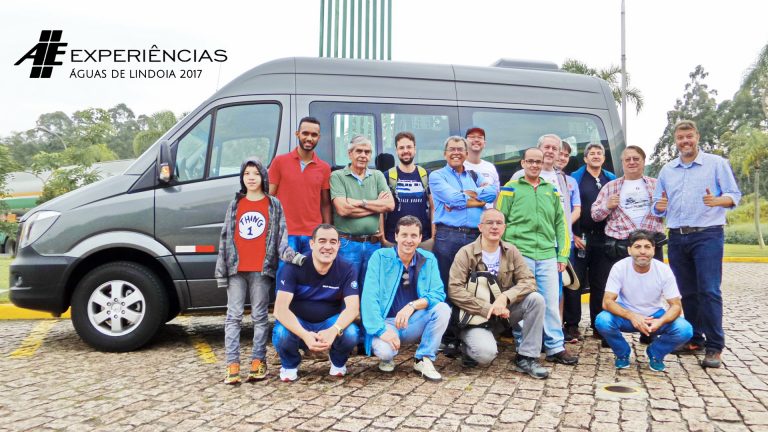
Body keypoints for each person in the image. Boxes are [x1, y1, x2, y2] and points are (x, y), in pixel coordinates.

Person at [653, 119, 741, 368]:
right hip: (677, 236)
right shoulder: (667, 170)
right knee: (687, 292)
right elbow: (657, 206)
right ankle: (694, 340)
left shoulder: (716, 164)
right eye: (681, 138)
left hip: (707, 235)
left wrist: (718, 201)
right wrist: (658, 207)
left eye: (689, 136)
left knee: (709, 291)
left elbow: (734, 195)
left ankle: (714, 347)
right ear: (676, 141)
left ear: (697, 137)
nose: (685, 141)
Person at [215, 157, 306, 384]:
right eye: (247, 174)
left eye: (256, 173)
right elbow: (225, 238)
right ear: (242, 178)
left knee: (259, 316)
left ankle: (258, 361)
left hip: (261, 270)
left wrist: (296, 258)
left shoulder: (273, 205)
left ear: (263, 177)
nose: (251, 178)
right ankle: (232, 364)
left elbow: (281, 240)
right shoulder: (235, 204)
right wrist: (222, 270)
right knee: (233, 316)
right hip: (236, 268)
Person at [496, 148, 578, 365]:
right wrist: (504, 253)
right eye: (530, 161)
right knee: (523, 301)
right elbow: (500, 221)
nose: (534, 165)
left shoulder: (551, 190)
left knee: (551, 303)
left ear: (543, 164)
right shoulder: (510, 189)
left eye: (538, 162)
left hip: (547, 255)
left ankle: (555, 347)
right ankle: (523, 347)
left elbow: (561, 224)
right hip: (519, 255)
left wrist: (562, 255)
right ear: (523, 163)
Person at [447, 208, 549, 379]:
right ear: (480, 227)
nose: (494, 227)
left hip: (502, 315)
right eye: (489, 222)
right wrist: (488, 308)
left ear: (504, 227)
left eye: (499, 223)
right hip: (474, 318)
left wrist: (505, 297)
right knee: (485, 355)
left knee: (536, 300)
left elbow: (529, 281)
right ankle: (466, 347)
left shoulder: (511, 251)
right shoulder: (466, 253)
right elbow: (454, 289)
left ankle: (527, 357)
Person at [429, 135, 497, 356]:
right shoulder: (437, 176)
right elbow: (452, 199)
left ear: (467, 154)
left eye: (460, 149)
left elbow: (492, 193)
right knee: (449, 286)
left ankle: (471, 332)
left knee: (474, 286)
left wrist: (465, 197)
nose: (456, 152)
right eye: (452, 149)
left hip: (475, 237)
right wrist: (474, 199)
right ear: (445, 153)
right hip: (448, 237)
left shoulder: (475, 175)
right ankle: (449, 338)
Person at [362, 216, 450, 381]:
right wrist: (381, 330)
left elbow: (438, 293)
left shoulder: (428, 259)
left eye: (413, 235)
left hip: (413, 321)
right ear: (396, 236)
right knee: (385, 352)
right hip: (386, 323)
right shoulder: (380, 257)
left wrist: (412, 306)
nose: (409, 240)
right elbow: (369, 298)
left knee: (443, 309)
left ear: (420, 238)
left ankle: (423, 358)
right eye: (404, 235)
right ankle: (387, 358)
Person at [272, 224, 361, 382]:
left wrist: (334, 330)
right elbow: (280, 310)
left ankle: (338, 361)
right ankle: (289, 365)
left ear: (338, 245)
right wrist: (305, 335)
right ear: (312, 244)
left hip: (329, 322)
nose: (327, 247)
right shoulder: (292, 267)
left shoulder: (347, 268)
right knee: (281, 334)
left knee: (351, 333)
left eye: (333, 242)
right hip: (299, 322)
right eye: (322, 241)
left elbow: (353, 309)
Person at [595, 230, 693, 372]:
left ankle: (656, 353)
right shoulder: (619, 267)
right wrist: (632, 316)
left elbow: (676, 306)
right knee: (602, 321)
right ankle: (622, 353)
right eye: (637, 247)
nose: (642, 251)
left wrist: (660, 321)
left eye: (647, 247)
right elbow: (607, 302)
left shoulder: (664, 270)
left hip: (654, 316)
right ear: (629, 250)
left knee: (685, 330)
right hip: (626, 316)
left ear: (653, 250)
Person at [330, 135, 395, 289]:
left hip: (373, 244)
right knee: (347, 289)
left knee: (371, 289)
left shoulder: (377, 175)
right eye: (359, 151)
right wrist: (376, 207)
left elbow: (390, 205)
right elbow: (343, 210)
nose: (363, 155)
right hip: (347, 244)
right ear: (350, 154)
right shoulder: (337, 176)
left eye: (367, 152)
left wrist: (360, 202)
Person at [570, 142, 617, 344]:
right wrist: (573, 235)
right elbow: (570, 207)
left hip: (604, 239)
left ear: (604, 158)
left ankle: (598, 325)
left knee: (601, 283)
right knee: (576, 282)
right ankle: (572, 325)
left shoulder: (611, 179)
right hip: (580, 237)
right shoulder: (576, 178)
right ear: (585, 158)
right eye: (592, 153)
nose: (596, 156)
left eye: (599, 153)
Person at [268, 117, 332, 256]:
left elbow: (325, 204)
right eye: (305, 133)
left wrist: (327, 232)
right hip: (285, 234)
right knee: (286, 270)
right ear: (297, 134)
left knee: (310, 271)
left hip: (313, 236)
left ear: (319, 137)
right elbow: (269, 198)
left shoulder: (324, 168)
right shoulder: (279, 162)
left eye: (314, 135)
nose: (309, 138)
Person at [591, 145, 665, 263]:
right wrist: (607, 206)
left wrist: (662, 210)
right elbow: (595, 216)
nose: (631, 162)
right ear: (622, 163)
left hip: (651, 244)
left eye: (636, 159)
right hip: (621, 246)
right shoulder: (610, 187)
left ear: (643, 161)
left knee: (654, 275)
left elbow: (671, 212)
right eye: (627, 159)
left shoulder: (656, 185)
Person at [381, 132, 433, 247]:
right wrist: (383, 238)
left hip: (422, 240)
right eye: (401, 148)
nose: (405, 151)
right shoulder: (387, 176)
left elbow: (433, 207)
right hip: (394, 240)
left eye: (409, 147)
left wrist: (433, 237)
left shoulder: (426, 175)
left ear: (415, 149)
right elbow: (381, 210)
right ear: (396, 151)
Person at [555, 140, 583, 343]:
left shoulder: (571, 181)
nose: (563, 158)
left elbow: (577, 209)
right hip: (546, 239)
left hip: (565, 240)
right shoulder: (543, 177)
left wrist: (563, 226)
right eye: (560, 153)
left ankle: (562, 326)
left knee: (565, 283)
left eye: (566, 155)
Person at [463, 126, 500, 209]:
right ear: (465, 142)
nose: (476, 140)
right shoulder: (459, 166)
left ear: (484, 143)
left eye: (480, 137)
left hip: (488, 215)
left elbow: (497, 195)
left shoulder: (490, 167)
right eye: (472, 137)